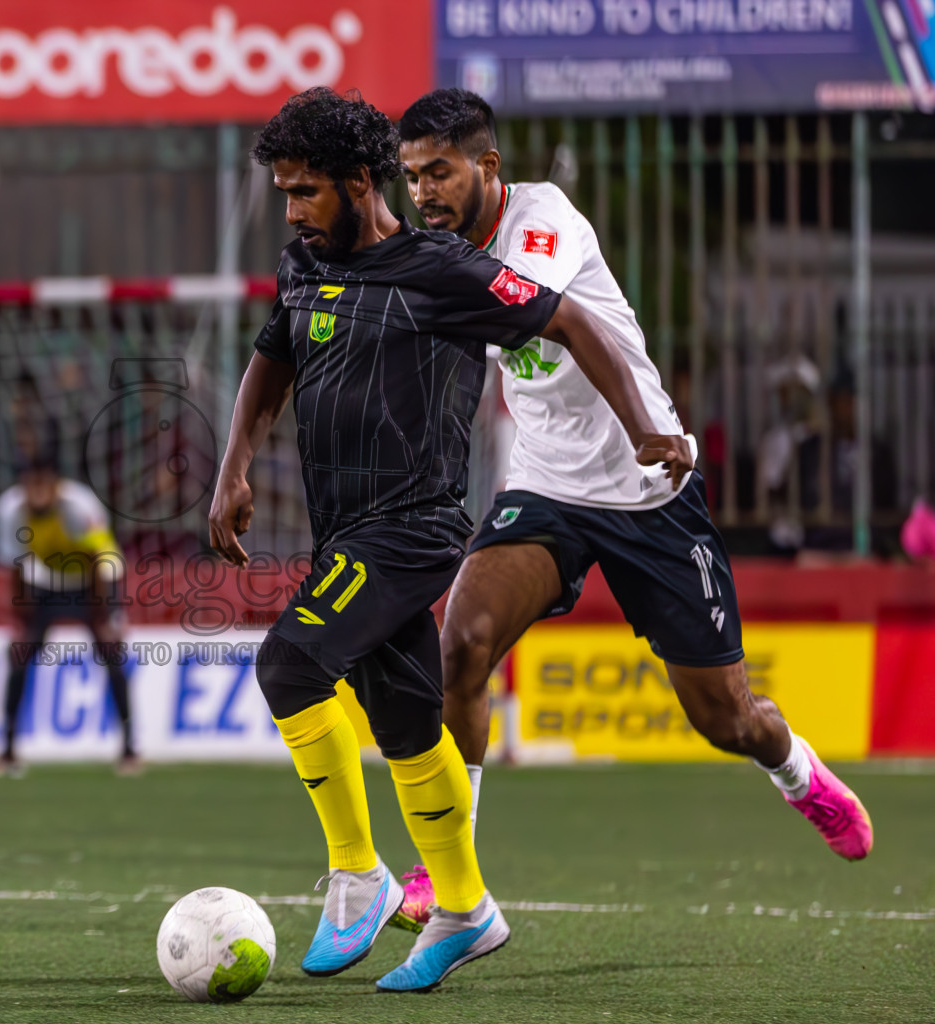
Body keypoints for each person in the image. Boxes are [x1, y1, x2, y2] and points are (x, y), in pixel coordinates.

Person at [208, 87, 690, 993]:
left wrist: (641, 427)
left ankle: (358, 873)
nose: (292, 209)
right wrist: (236, 465)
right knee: (404, 722)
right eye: (283, 191)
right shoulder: (304, 262)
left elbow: (570, 320)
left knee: (288, 666)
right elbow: (272, 355)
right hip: (343, 529)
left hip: (414, 528)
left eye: (305, 189)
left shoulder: (441, 270)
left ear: (359, 183)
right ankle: (467, 908)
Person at [393, 89, 873, 881]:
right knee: (461, 649)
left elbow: (542, 320)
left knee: (728, 720)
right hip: (547, 488)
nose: (422, 194)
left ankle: (799, 775)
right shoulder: (435, 244)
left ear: (487, 166)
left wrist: (650, 430)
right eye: (409, 179)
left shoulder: (544, 221)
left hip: (651, 486)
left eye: (438, 173)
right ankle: (446, 867)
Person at [0, 447, 138, 776]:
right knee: (20, 654)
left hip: (90, 581)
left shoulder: (79, 507)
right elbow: (14, 565)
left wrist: (104, 613)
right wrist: (21, 615)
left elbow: (100, 559)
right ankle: (8, 751)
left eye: (44, 484)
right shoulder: (11, 509)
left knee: (111, 653)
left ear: (57, 485)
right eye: (31, 484)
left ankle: (129, 749)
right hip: (45, 582)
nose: (37, 492)